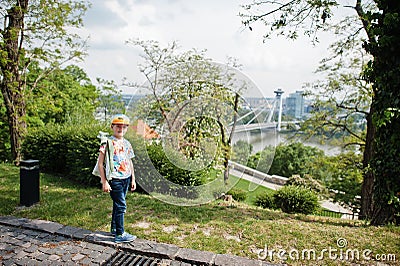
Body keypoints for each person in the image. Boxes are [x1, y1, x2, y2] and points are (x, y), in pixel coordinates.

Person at [97, 114, 137, 243]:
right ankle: (120, 234)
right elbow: (100, 164)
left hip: (126, 178)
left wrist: (133, 179)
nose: (121, 129)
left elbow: (130, 162)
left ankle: (114, 228)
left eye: (124, 127)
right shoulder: (107, 143)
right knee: (121, 206)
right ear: (112, 127)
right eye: (118, 126)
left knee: (118, 204)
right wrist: (104, 182)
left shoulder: (127, 143)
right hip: (115, 180)